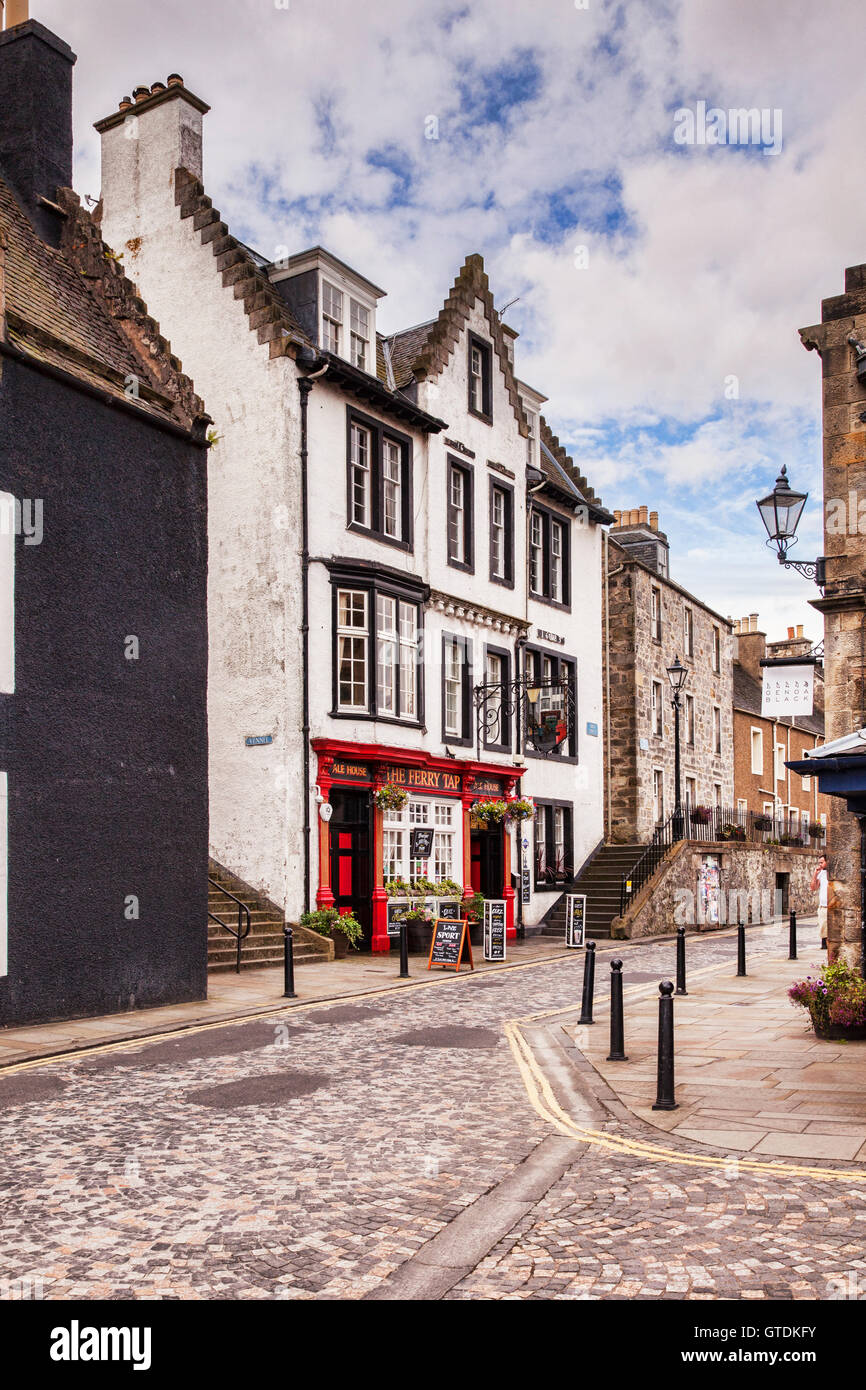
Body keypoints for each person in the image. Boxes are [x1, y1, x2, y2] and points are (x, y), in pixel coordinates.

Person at [810, 853, 829, 950]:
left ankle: (827, 946)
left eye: (822, 862)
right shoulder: (821, 873)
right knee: (823, 927)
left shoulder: (832, 873)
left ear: (827, 861)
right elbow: (813, 888)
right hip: (823, 906)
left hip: (831, 905)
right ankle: (824, 945)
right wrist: (815, 875)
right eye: (819, 863)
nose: (820, 865)